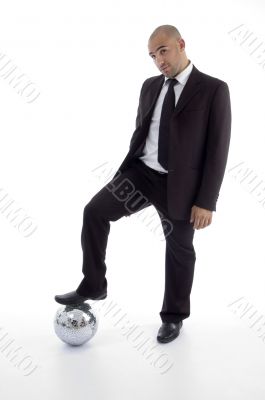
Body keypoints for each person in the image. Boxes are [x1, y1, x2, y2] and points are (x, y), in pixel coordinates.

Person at [55, 24, 232, 343]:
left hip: (180, 185)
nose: (159, 60)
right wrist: (126, 169)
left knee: (180, 249)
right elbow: (142, 132)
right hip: (140, 175)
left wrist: (206, 201)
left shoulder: (213, 89)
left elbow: (217, 150)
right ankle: (93, 284)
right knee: (94, 211)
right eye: (152, 55)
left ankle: (174, 317)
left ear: (181, 44)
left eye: (163, 51)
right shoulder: (150, 86)